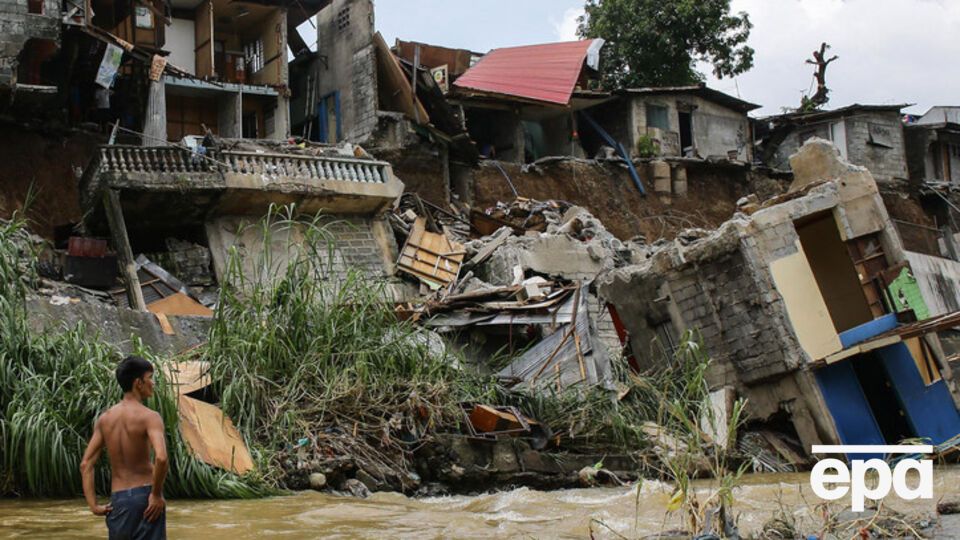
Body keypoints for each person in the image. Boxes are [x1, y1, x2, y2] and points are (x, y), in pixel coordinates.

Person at [80, 355, 169, 539]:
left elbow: (86, 464)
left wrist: (93, 505)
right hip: (145, 498)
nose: (153, 383)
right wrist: (156, 494)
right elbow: (161, 457)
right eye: (150, 377)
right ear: (138, 382)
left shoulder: (105, 419)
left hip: (118, 500)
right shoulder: (149, 417)